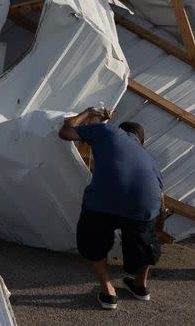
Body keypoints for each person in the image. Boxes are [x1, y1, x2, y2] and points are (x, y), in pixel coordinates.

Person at [59, 107, 165, 310]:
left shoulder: (107, 131)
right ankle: (140, 286)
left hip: (103, 200)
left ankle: (108, 292)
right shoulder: (150, 159)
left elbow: (66, 131)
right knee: (146, 244)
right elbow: (160, 198)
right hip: (143, 205)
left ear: (122, 130)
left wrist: (88, 114)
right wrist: (154, 230)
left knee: (93, 242)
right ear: (140, 141)